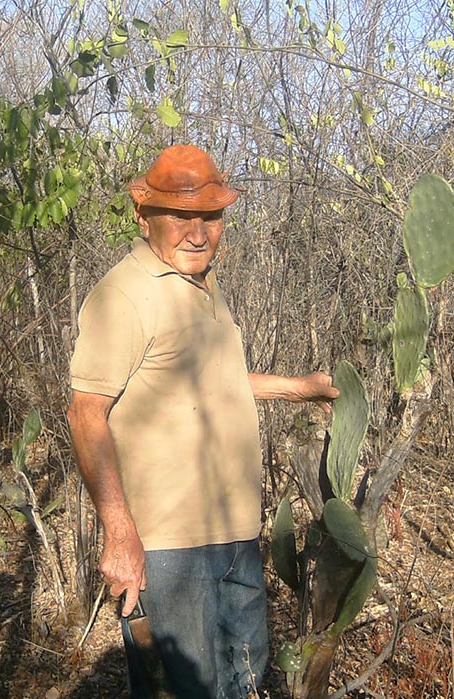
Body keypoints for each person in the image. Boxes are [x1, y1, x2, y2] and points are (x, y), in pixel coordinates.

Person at [67, 144, 339, 699]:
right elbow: (85, 411)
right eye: (181, 217)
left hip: (236, 533)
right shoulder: (123, 295)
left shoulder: (201, 283)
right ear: (143, 216)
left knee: (243, 683)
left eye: (210, 217)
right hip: (168, 549)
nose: (198, 232)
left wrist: (298, 389)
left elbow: (214, 383)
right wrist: (118, 532)